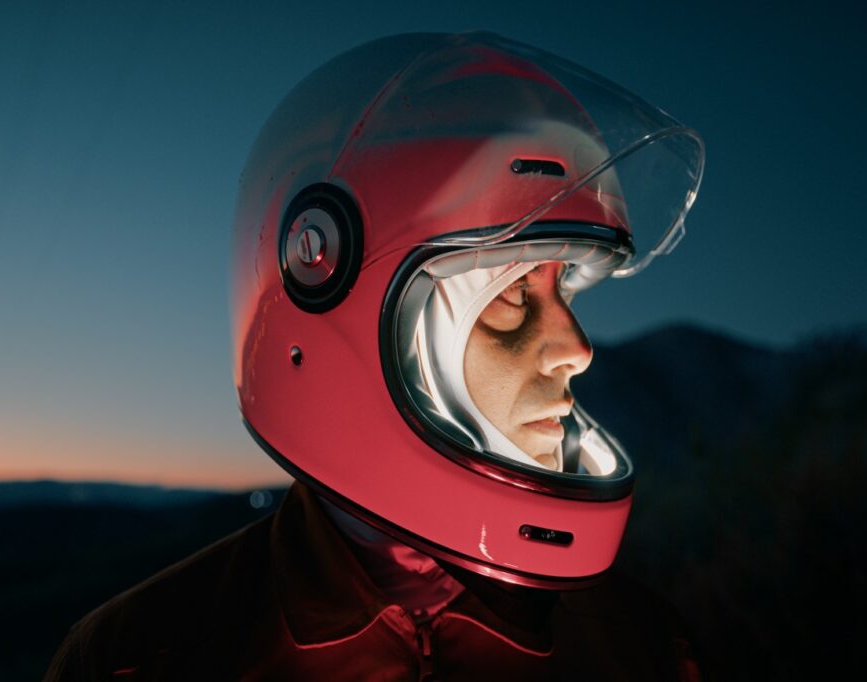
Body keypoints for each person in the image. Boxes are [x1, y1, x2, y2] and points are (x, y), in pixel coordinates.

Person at [45, 31, 705, 681]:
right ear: (324, 275)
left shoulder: (648, 649)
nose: (577, 350)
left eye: (563, 287)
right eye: (508, 292)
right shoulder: (135, 661)